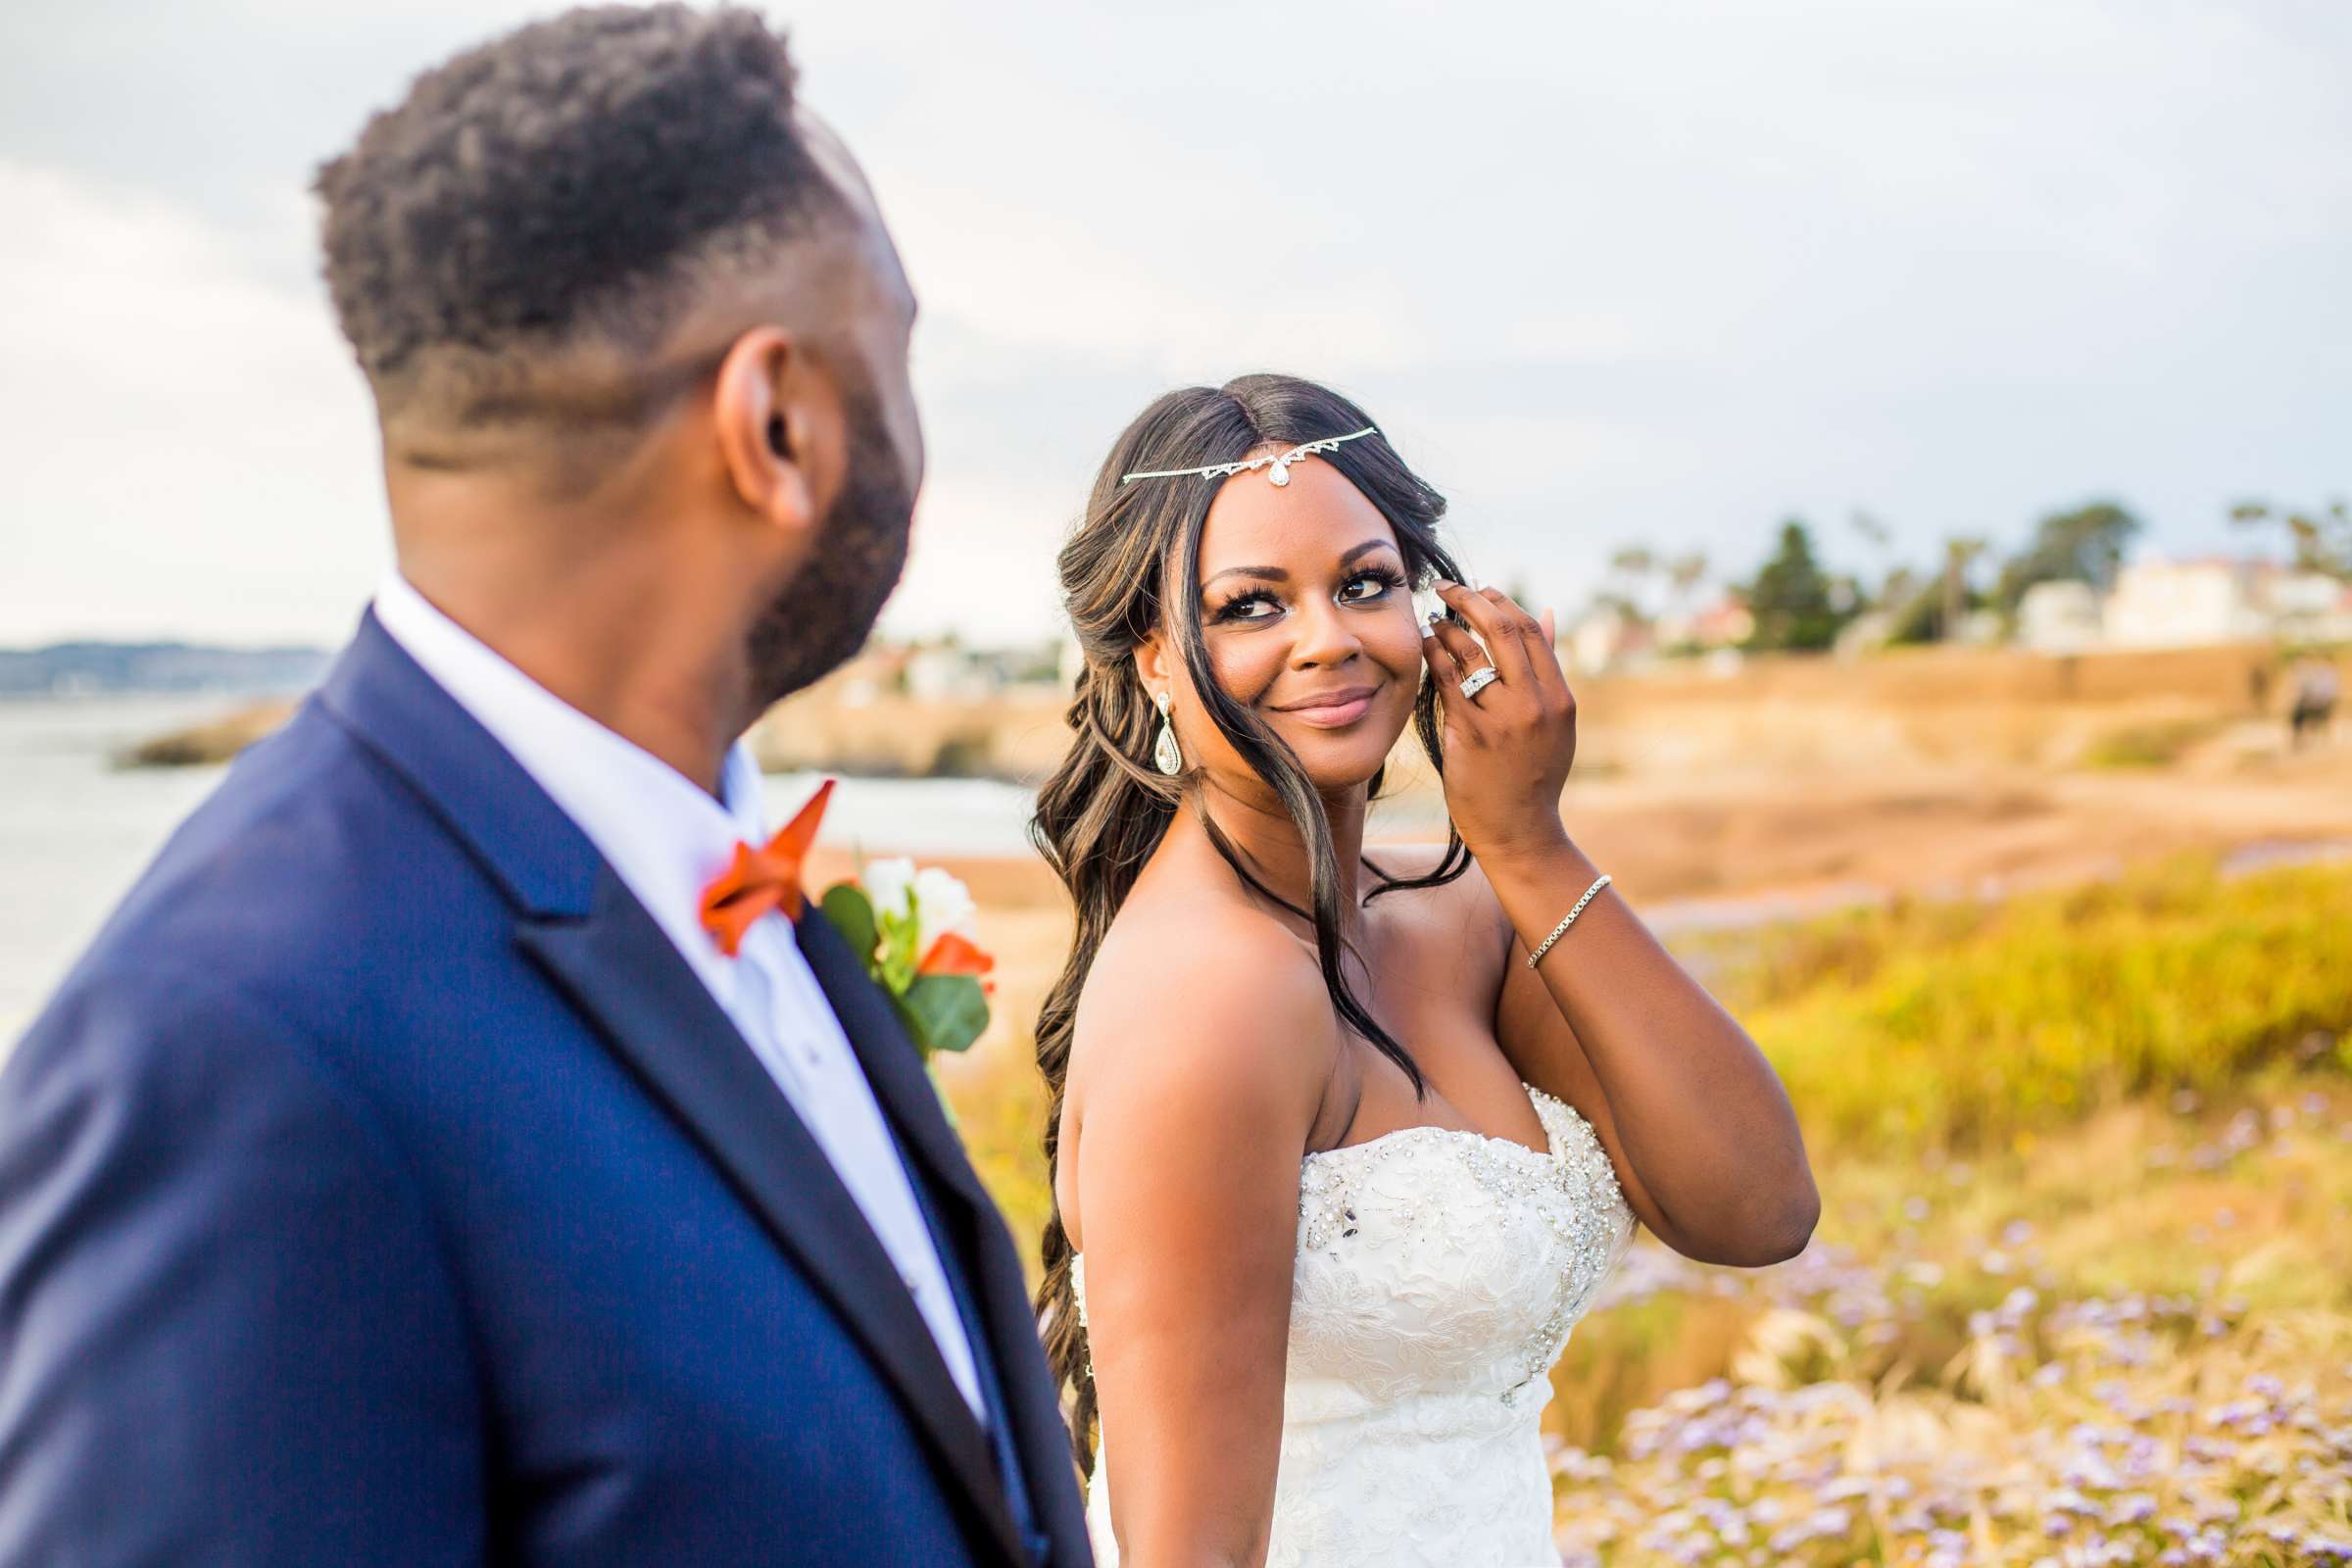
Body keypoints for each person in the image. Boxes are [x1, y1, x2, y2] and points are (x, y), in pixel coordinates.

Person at [0, 9, 1087, 1564]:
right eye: (899, 350)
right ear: (774, 426)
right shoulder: (234, 1051)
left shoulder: (737, 877)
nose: (918, 422)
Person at [1030, 373, 1821, 1566]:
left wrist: (1529, 845)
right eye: (1251, 605)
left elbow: (1757, 1209)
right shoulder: (1209, 1003)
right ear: (1150, 658)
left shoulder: (1463, 914)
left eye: (1365, 583)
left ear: (1437, 608)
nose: (1330, 638)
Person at [2289, 655, 2339, 749]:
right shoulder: (2316, 674)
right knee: (2300, 716)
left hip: (2322, 702)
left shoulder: (2328, 674)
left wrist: (2318, 699)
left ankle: (2309, 738)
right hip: (2314, 701)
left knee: (2311, 716)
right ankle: (2301, 739)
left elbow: (2327, 691)